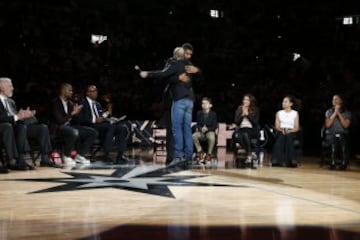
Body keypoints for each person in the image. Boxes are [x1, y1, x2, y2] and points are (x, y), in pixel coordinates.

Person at [140, 47, 195, 166]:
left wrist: (147, 74)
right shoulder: (187, 65)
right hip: (189, 101)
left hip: (178, 101)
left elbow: (163, 73)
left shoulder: (174, 63)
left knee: (176, 130)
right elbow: (181, 79)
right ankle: (188, 156)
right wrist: (177, 78)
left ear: (175, 55)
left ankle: (178, 156)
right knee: (186, 129)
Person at [0, 77, 54, 170]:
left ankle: (45, 159)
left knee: (42, 127)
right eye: (10, 86)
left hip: (17, 126)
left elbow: (17, 117)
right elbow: (2, 118)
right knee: (20, 127)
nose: (12, 88)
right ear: (1, 87)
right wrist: (18, 117)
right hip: (8, 127)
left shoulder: (11, 102)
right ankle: (18, 160)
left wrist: (26, 115)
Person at [159, 43, 200, 165]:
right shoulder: (171, 62)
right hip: (171, 100)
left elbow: (195, 79)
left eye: (190, 55)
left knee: (182, 129)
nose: (188, 56)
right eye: (186, 54)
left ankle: (183, 157)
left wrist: (197, 70)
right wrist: (178, 79)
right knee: (172, 130)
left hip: (182, 100)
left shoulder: (188, 64)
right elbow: (166, 77)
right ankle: (172, 157)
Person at [76, 85, 129, 164]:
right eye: (93, 91)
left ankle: (120, 155)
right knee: (110, 127)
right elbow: (80, 119)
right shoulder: (82, 103)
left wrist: (106, 118)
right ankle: (106, 153)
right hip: (90, 125)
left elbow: (101, 116)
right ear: (88, 93)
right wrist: (94, 120)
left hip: (101, 125)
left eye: (96, 91)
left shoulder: (97, 104)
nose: (96, 93)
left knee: (122, 128)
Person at [50, 83, 98, 165]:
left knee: (92, 132)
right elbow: (59, 121)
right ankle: (66, 156)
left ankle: (80, 155)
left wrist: (76, 114)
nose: (71, 92)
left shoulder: (70, 103)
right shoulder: (54, 103)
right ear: (63, 91)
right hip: (58, 128)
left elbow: (75, 121)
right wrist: (72, 113)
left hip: (70, 127)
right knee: (73, 132)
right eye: (70, 90)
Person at [271, 95, 301, 167]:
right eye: (283, 102)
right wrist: (282, 130)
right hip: (281, 130)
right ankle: (276, 159)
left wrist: (290, 131)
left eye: (285, 102)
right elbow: (277, 126)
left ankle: (292, 160)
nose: (283, 103)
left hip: (292, 131)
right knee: (281, 136)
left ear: (291, 104)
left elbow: (296, 127)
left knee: (288, 136)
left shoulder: (295, 113)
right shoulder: (279, 113)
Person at [232, 94, 260, 168]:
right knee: (236, 135)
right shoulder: (239, 109)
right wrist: (242, 115)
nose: (245, 101)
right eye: (244, 99)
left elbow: (255, 123)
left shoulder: (255, 109)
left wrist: (247, 115)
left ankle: (249, 154)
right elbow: (236, 122)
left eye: (247, 100)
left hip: (251, 129)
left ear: (251, 101)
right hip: (241, 128)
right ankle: (250, 154)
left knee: (245, 134)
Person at [324, 94, 351, 170]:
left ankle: (344, 163)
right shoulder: (328, 112)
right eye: (333, 99)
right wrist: (334, 113)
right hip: (331, 133)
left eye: (336, 99)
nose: (334, 101)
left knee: (342, 140)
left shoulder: (347, 113)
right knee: (333, 139)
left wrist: (338, 114)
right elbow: (328, 125)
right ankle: (332, 163)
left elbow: (345, 125)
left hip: (343, 134)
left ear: (341, 101)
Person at [192, 97, 218, 164]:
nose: (204, 105)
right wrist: (201, 129)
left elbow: (214, 126)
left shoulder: (213, 114)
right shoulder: (199, 113)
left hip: (209, 131)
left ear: (210, 105)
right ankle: (200, 152)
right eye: (203, 103)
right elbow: (197, 125)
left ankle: (209, 154)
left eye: (206, 103)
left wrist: (207, 129)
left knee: (212, 136)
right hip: (201, 132)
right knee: (194, 136)